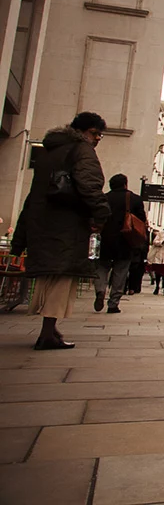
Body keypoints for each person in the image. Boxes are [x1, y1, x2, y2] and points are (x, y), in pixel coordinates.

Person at [12, 112, 110, 350]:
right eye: (95, 133)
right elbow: (90, 185)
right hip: (67, 224)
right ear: (83, 131)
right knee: (62, 278)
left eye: (100, 135)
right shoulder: (82, 150)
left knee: (49, 277)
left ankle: (50, 329)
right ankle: (47, 333)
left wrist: (20, 236)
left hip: (42, 223)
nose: (98, 139)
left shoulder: (49, 152)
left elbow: (34, 195)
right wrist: (101, 215)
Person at [93, 174, 145, 314]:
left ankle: (100, 290)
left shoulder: (103, 198)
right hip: (125, 240)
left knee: (101, 267)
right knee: (120, 272)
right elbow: (141, 220)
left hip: (104, 240)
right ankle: (113, 303)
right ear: (125, 184)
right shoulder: (135, 199)